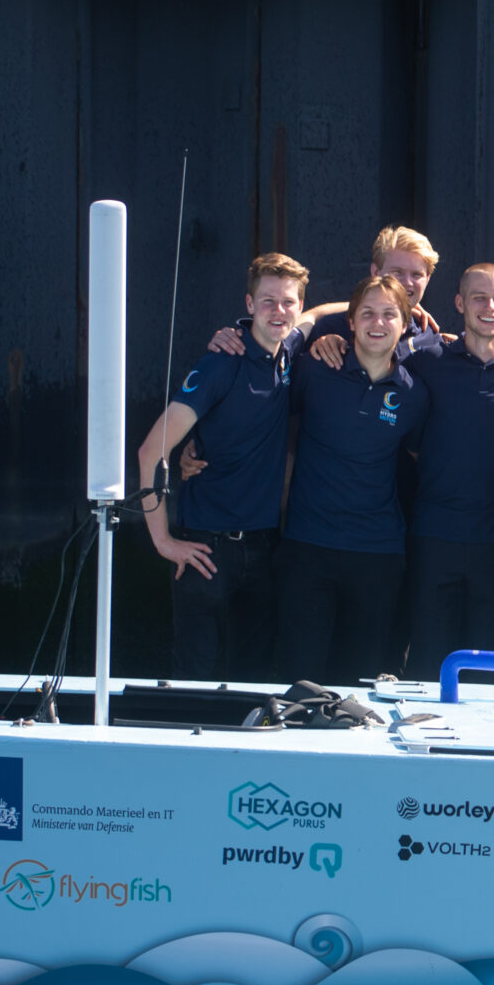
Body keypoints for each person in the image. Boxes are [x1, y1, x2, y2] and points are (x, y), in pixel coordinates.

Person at [313, 263, 494, 679]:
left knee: (487, 667)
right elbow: (371, 352)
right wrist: (327, 337)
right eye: (479, 297)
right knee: (427, 660)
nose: (490, 307)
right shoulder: (424, 362)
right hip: (432, 538)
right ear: (459, 303)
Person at [135, 252, 308, 682]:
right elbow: (150, 451)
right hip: (206, 549)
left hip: (263, 548)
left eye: (288, 301)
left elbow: (320, 315)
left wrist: (412, 311)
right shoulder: (220, 363)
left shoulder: (288, 351)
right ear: (249, 304)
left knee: (253, 678)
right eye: (267, 301)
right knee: (195, 676)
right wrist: (163, 542)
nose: (279, 310)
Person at [274, 274, 430, 685]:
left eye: (389, 314)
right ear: (351, 321)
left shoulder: (414, 393)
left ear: (405, 323)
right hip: (309, 546)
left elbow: (422, 459)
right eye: (367, 313)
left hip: (377, 555)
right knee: (299, 678)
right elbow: (263, 417)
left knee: (358, 684)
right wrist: (199, 447)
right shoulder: (314, 369)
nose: (378, 323)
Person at [208, 225, 445, 362]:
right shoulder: (331, 327)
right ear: (375, 272)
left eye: (416, 275)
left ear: (428, 279)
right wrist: (239, 339)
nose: (406, 282)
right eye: (397, 272)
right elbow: (274, 345)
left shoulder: (432, 339)